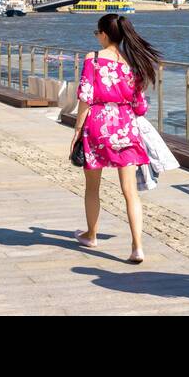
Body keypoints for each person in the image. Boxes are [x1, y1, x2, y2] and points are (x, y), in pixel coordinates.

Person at [70, 13, 159, 264]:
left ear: (104, 34)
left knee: (92, 186)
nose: (96, 37)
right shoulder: (132, 64)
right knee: (130, 191)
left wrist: (77, 129)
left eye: (96, 33)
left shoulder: (93, 59)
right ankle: (137, 247)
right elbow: (140, 106)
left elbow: (86, 96)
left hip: (97, 126)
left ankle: (91, 235)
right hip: (125, 127)